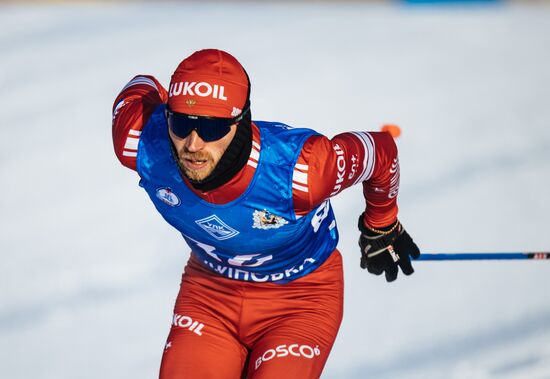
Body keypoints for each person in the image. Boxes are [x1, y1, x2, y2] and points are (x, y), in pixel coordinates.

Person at [112, 49, 420, 379]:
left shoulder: (300, 171)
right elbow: (140, 86)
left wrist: (382, 223)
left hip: (299, 301)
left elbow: (382, 153)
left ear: (241, 122)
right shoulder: (138, 139)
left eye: (213, 129)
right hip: (210, 296)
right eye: (182, 122)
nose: (193, 144)